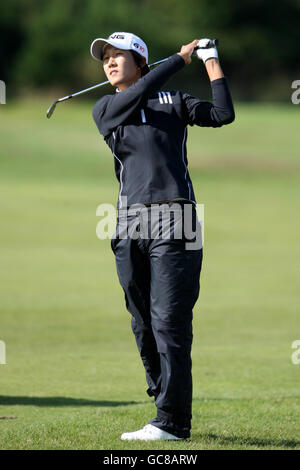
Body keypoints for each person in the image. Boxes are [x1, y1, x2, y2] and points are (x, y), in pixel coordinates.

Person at [91, 32, 234, 441]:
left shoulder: (174, 102)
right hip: (127, 222)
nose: (110, 62)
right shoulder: (106, 108)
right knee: (143, 323)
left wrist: (208, 60)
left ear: (140, 62)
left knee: (170, 320)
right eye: (106, 58)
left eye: (119, 56)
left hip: (178, 219)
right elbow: (132, 97)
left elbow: (223, 114)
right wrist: (178, 58)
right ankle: (162, 400)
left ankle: (171, 421)